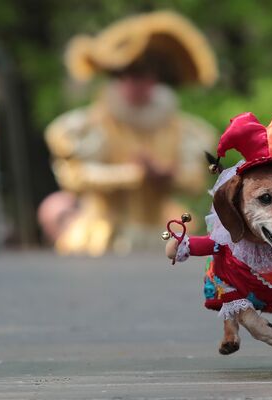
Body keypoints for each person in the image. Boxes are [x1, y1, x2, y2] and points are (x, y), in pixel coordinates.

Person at [44, 11, 218, 255]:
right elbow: (73, 176)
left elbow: (195, 181)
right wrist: (133, 174)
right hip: (101, 239)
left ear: (156, 79)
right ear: (116, 79)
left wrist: (167, 175)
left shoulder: (184, 129)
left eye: (145, 75)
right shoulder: (86, 126)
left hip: (163, 235)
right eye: (128, 75)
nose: (137, 84)